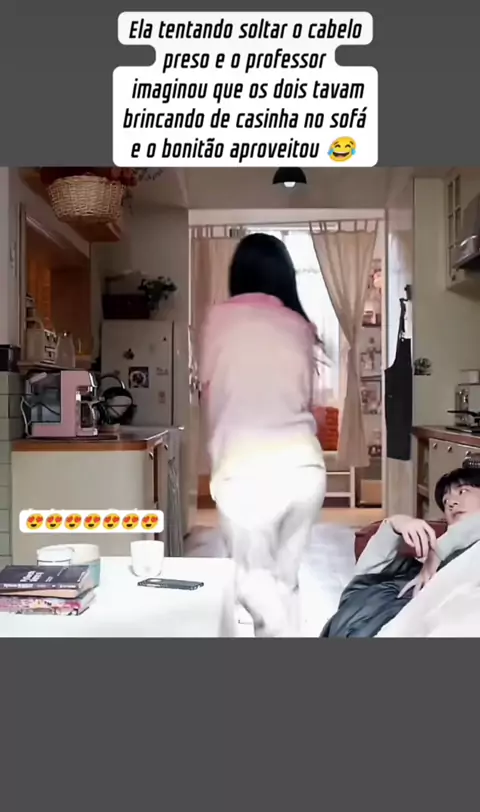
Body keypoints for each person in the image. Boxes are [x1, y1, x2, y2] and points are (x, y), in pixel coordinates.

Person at [199, 233, 326, 638]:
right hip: (305, 469)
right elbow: (311, 404)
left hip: (245, 472)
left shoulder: (219, 320)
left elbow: (211, 392)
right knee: (283, 585)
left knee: (253, 583)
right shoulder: (300, 325)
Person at [321, 466, 480, 637]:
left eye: (463, 491)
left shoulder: (461, 557)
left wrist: (438, 551)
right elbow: (361, 582)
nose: (451, 503)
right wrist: (395, 524)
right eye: (445, 500)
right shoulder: (421, 564)